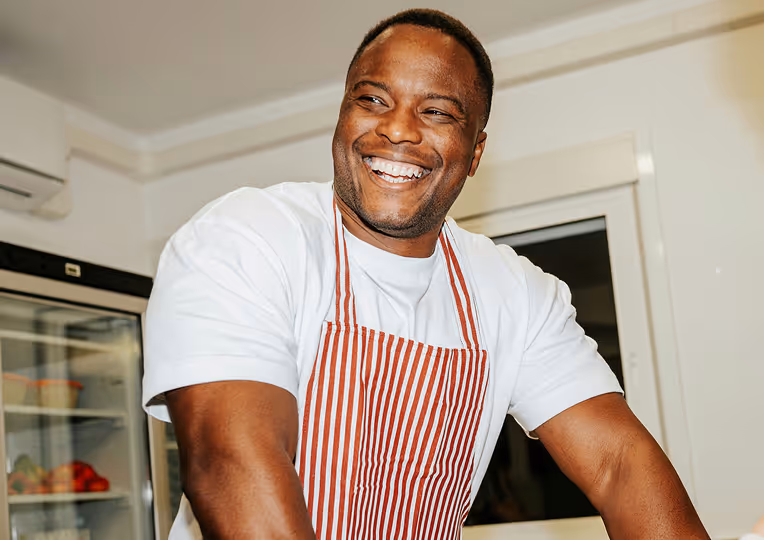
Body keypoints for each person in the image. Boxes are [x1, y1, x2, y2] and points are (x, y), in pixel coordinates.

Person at [143, 8, 710, 540]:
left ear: (475, 150)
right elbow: (231, 461)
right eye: (372, 100)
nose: (397, 130)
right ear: (343, 115)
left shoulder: (515, 294)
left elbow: (619, 464)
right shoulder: (249, 236)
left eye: (436, 112)